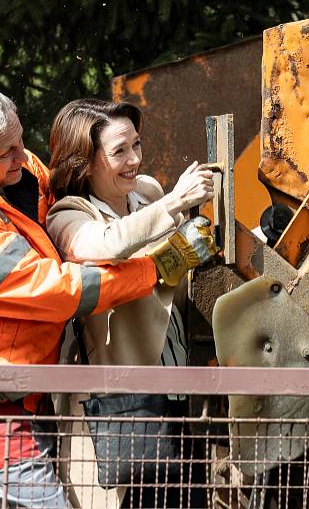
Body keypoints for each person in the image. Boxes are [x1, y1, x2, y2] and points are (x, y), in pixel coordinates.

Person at [0, 87, 217, 509]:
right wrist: (157, 267)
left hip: (20, 385)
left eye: (20, 139)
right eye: (6, 151)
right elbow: (58, 291)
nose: (22, 156)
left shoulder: (15, 171)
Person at [45, 99, 214, 508]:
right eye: (120, 151)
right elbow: (106, 244)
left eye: (137, 145)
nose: (134, 160)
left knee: (188, 498)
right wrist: (174, 203)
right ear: (85, 162)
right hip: (125, 398)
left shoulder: (148, 192)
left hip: (179, 378)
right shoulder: (68, 214)